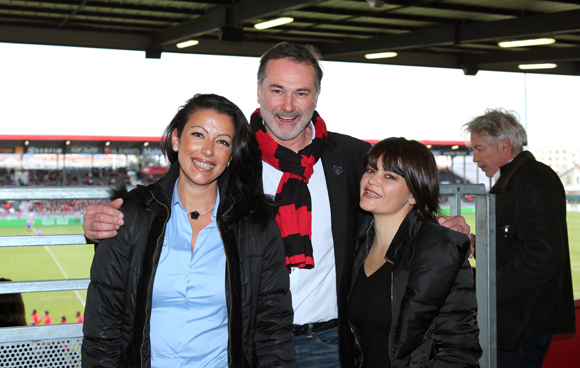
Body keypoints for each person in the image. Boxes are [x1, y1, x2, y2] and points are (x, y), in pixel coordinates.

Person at [82, 42, 472, 368]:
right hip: (251, 342)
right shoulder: (233, 155)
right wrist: (101, 218)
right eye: (277, 90)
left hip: (332, 342)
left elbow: (395, 198)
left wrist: (439, 228)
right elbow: (175, 193)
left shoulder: (353, 157)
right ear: (258, 91)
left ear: (316, 96)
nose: (288, 105)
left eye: (301, 92)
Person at [81, 94, 295, 368]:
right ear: (175, 139)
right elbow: (104, 325)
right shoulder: (131, 215)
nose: (208, 150)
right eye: (198, 134)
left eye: (222, 142)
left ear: (231, 156)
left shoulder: (257, 226)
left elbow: (272, 328)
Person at [347, 138, 482, 367]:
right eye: (371, 170)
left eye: (390, 176)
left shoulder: (439, 249)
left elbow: (458, 349)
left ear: (415, 195)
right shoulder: (358, 243)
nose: (372, 180)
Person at [462, 108, 575, 368]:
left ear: (504, 145)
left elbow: (544, 257)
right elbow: (511, 245)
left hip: (521, 324)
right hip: (514, 319)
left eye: (479, 149)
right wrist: (477, 243)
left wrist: (488, 288)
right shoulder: (516, 180)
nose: (475, 158)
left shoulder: (532, 181)